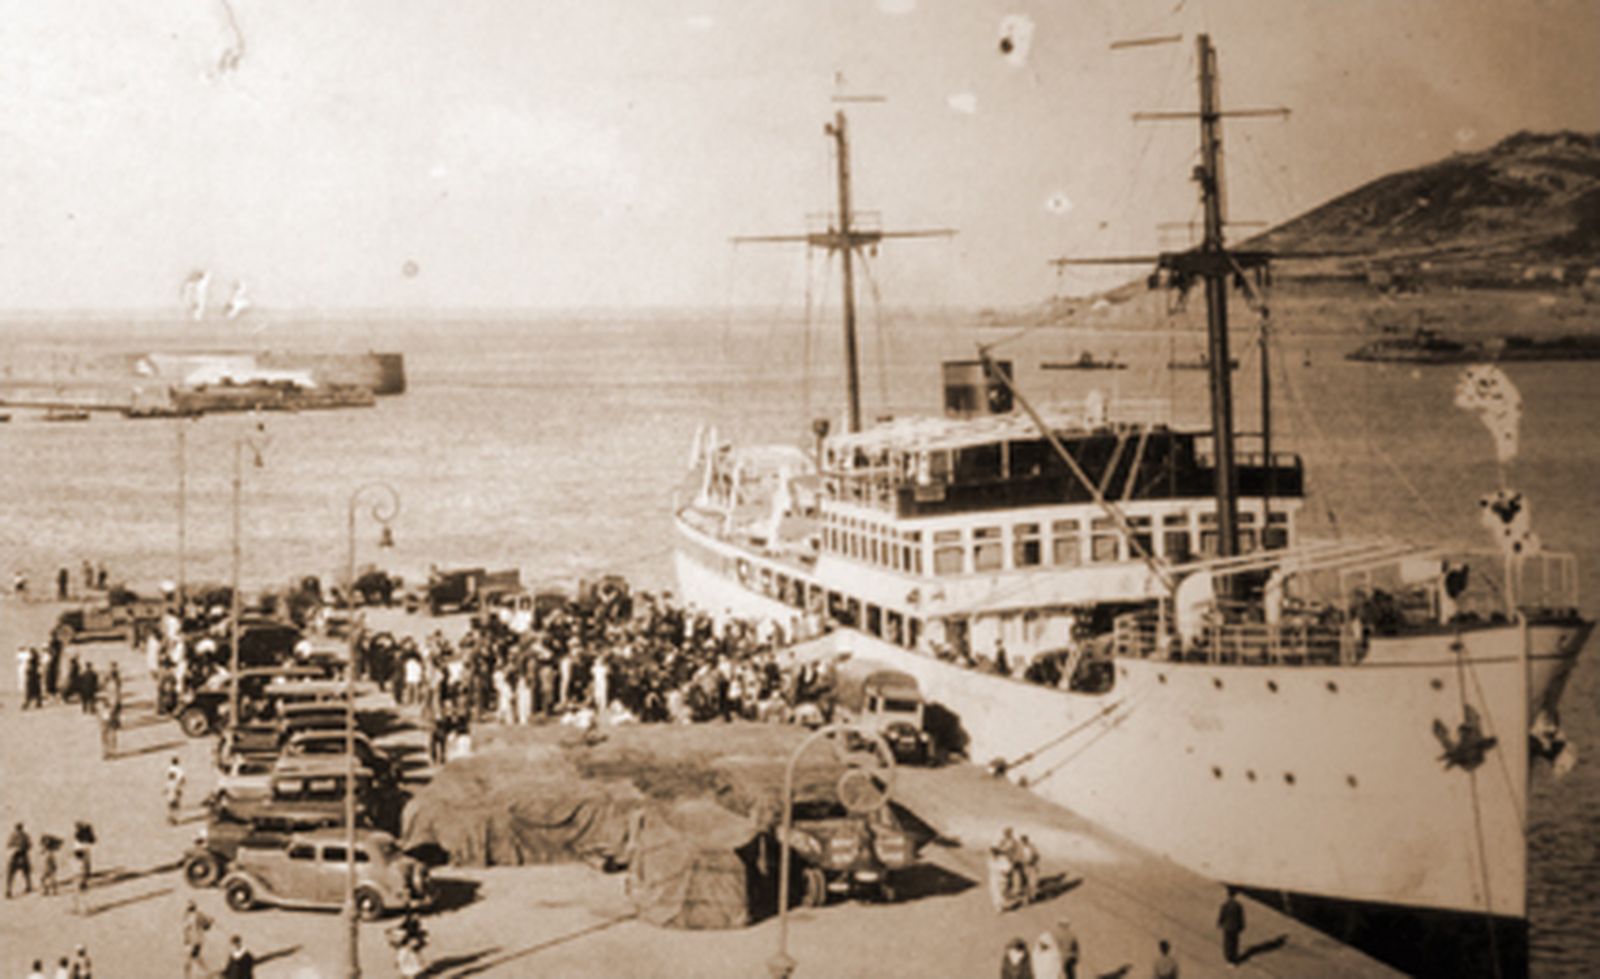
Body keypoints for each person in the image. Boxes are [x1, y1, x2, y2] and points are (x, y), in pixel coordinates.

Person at [182, 899, 213, 978]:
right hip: (196, 941)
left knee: (191, 959)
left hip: (191, 941)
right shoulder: (199, 915)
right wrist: (211, 921)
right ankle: (207, 972)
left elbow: (185, 930)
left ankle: (189, 976)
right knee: (195, 958)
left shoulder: (186, 916)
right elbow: (206, 927)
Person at [1218, 887, 1245, 968]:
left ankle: (1229, 959)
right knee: (1234, 943)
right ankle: (1234, 959)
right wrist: (1241, 926)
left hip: (1227, 927)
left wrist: (1219, 923)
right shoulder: (1238, 906)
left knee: (1227, 943)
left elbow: (1222, 916)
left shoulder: (1225, 905)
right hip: (1235, 927)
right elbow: (1241, 917)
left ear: (1228, 895)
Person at [6, 821, 32, 897]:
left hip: (15, 856)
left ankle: (9, 890)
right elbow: (29, 845)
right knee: (26, 872)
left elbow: (8, 845)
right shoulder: (25, 835)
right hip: (22, 855)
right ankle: (28, 886)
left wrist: (15, 847)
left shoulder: (12, 835)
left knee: (11, 873)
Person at [1016, 833, 1041, 905]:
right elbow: (1018, 858)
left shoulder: (1032, 846)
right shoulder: (1020, 848)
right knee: (1025, 883)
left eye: (1025, 840)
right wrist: (1023, 862)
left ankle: (1032, 897)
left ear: (1027, 840)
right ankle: (1027, 899)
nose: (1024, 842)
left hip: (1032, 866)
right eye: (1022, 840)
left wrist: (1033, 861)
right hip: (1024, 867)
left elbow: (1037, 855)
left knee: (1033, 882)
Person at [166, 757, 186, 824]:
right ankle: (174, 818)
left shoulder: (170, 769)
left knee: (170, 806)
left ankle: (170, 817)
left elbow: (167, 787)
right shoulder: (180, 770)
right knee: (176, 806)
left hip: (170, 794)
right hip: (176, 791)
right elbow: (183, 780)